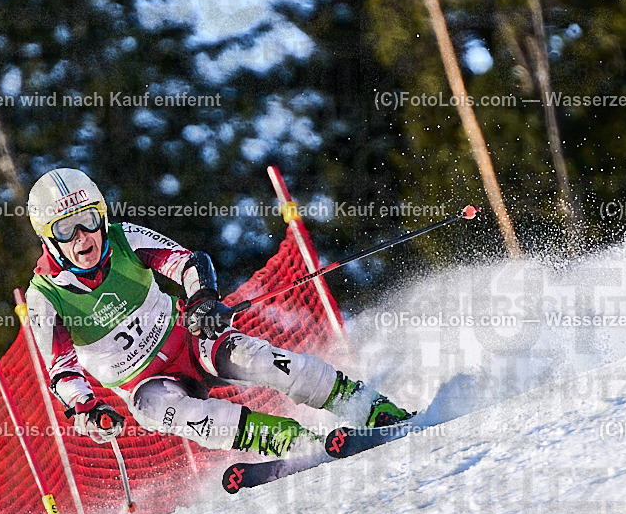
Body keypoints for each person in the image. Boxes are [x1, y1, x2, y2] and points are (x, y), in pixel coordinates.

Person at [25, 168, 411, 456]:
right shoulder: (45, 295)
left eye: (89, 221)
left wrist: (202, 302)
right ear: (48, 238)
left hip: (190, 341)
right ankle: (290, 441)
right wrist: (87, 407)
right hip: (145, 384)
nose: (83, 238)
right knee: (156, 410)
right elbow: (63, 369)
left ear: (102, 216)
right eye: (66, 230)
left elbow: (188, 264)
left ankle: (369, 407)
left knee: (259, 360)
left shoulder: (124, 238)